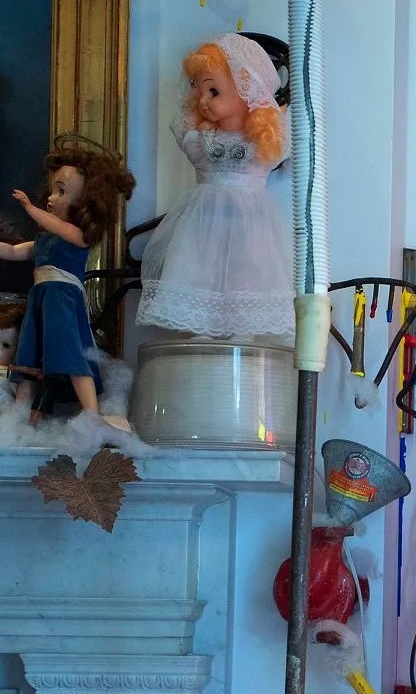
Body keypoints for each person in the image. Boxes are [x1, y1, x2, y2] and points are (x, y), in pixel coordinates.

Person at [136, 33, 294, 343]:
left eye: (214, 91)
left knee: (247, 268)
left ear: (246, 89)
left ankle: (241, 329)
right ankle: (203, 327)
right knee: (200, 266)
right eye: (199, 90)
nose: (203, 100)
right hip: (204, 219)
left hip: (249, 220)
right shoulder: (199, 139)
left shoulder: (264, 141)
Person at [0, 140, 134, 427]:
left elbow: (60, 228)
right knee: (29, 356)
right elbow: (12, 251)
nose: (51, 197)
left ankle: (91, 414)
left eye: (61, 192)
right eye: (52, 190)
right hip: (40, 301)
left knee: (71, 353)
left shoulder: (78, 236)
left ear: (84, 202)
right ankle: (20, 421)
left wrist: (29, 208)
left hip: (62, 300)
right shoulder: (43, 240)